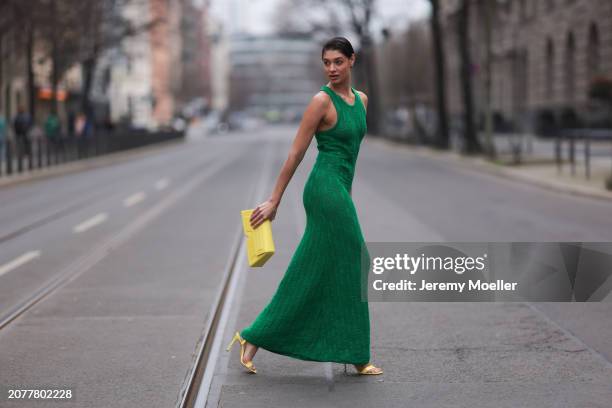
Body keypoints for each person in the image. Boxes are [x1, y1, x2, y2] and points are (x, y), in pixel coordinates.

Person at [225, 37, 383, 376]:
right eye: (326, 62)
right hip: (322, 188)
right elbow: (295, 153)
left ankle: (253, 339)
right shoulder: (320, 102)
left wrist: (347, 198)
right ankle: (356, 355)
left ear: (352, 61)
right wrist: (274, 200)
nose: (332, 68)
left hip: (339, 189)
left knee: (322, 266)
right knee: (355, 261)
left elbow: (351, 157)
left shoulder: (361, 101)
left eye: (338, 61)